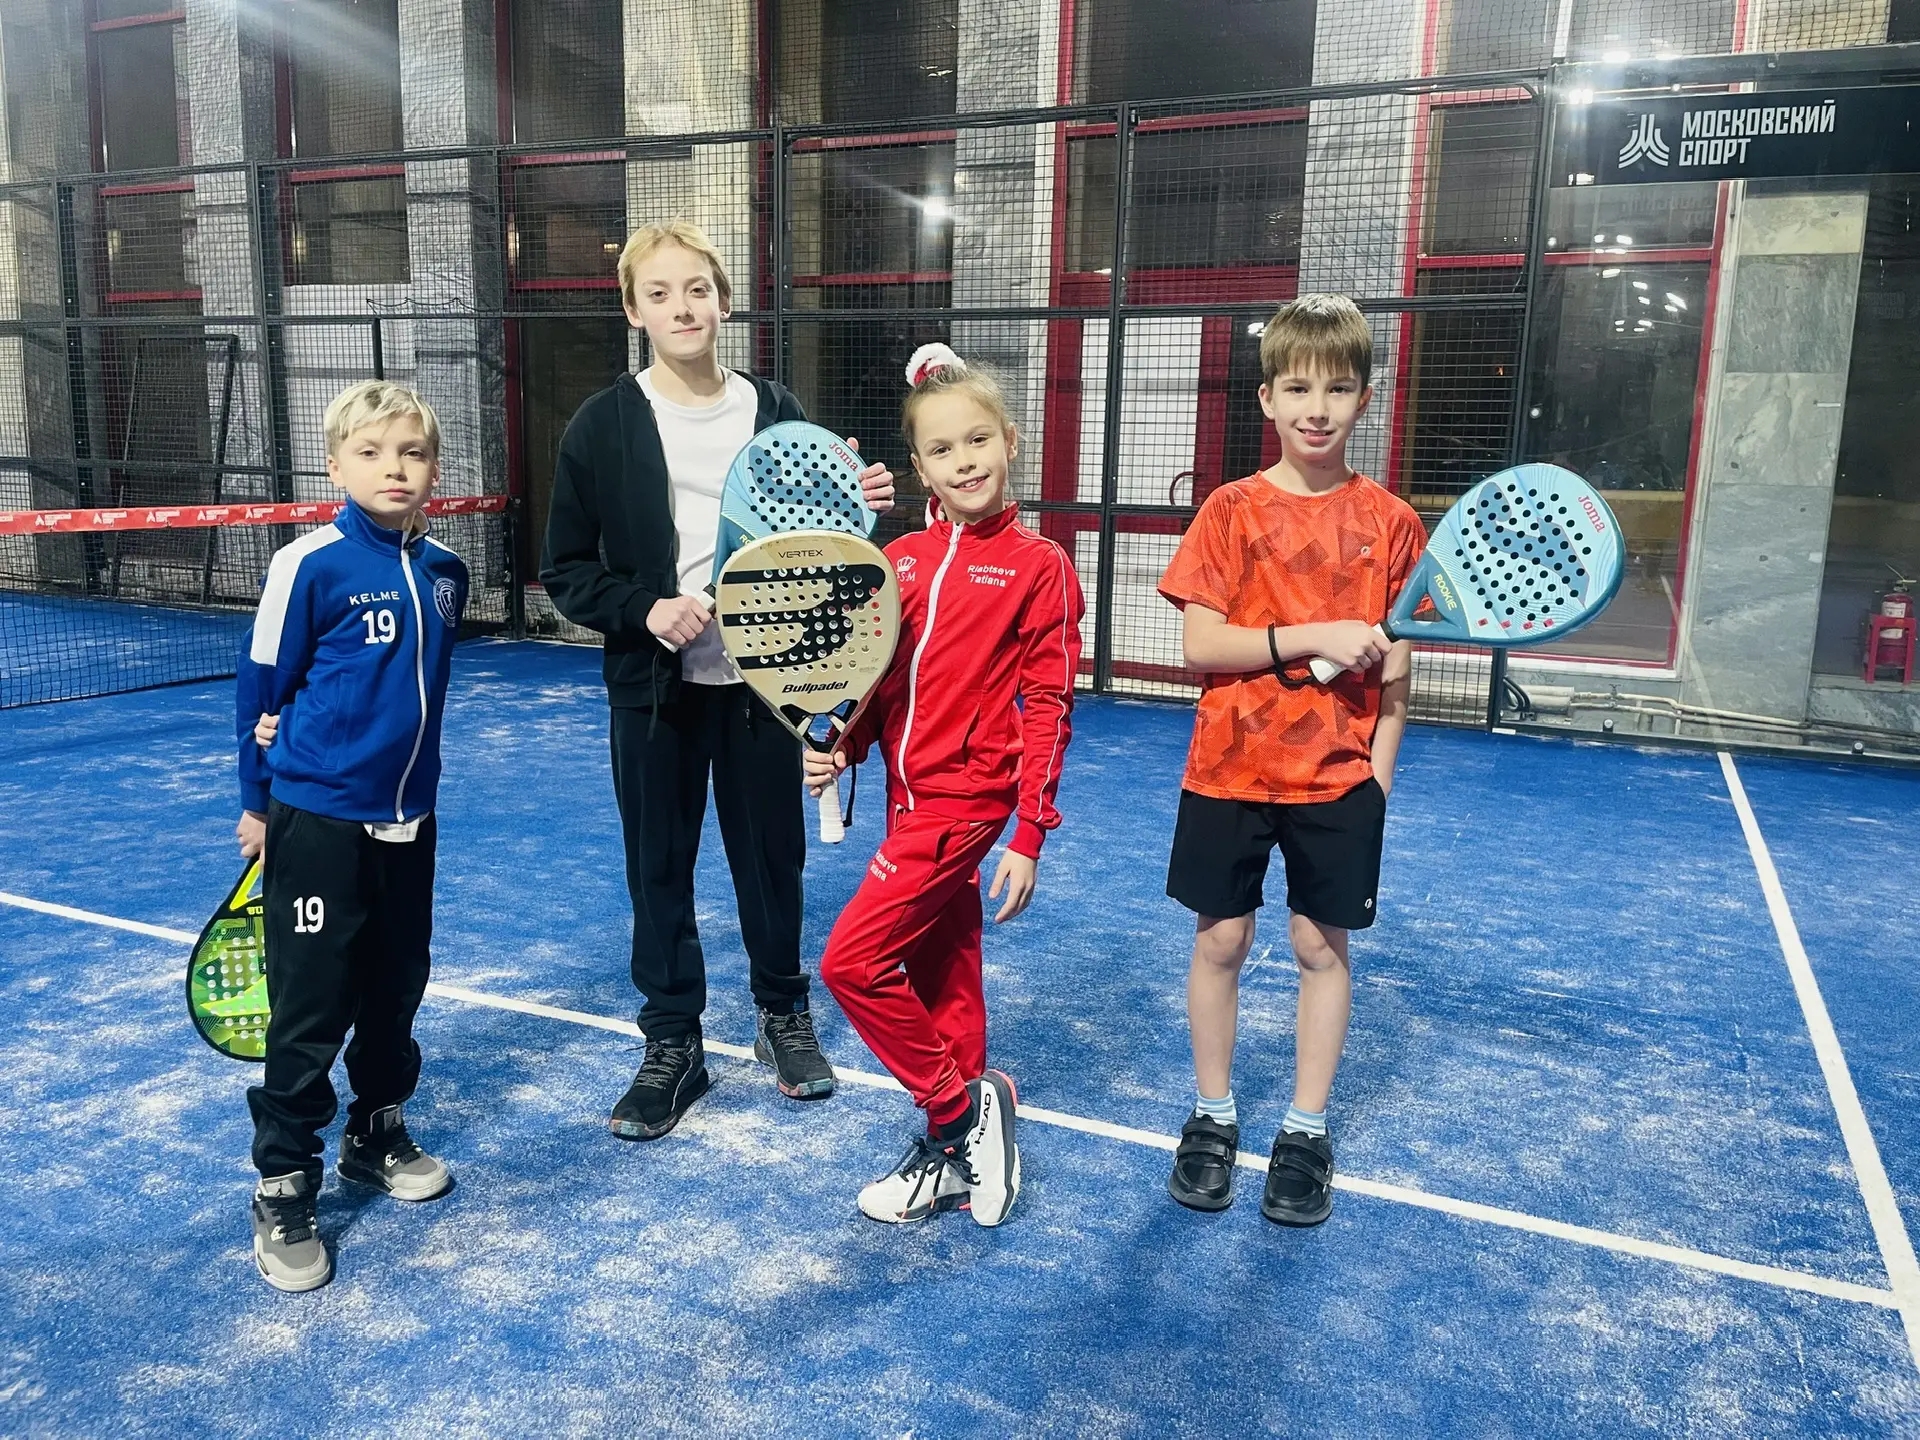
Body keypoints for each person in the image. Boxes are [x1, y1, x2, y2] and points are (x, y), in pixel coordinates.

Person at [539, 220, 895, 1141]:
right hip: (653, 694)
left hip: (765, 691)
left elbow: (818, 546)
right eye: (659, 294)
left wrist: (860, 507)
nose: (682, 307)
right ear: (634, 311)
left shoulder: (775, 408)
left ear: (724, 300)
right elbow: (567, 570)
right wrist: (645, 608)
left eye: (696, 289)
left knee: (772, 861)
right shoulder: (603, 423)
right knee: (658, 869)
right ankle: (673, 1045)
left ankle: (782, 1015)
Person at [1156, 294, 1426, 1226]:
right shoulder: (1229, 511)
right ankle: (1212, 1114)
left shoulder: (1391, 522)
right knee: (1220, 941)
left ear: (1365, 399)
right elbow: (1200, 644)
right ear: (1267, 398)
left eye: (1339, 388)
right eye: (1299, 388)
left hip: (1338, 781)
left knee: (1320, 946)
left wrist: (1377, 778)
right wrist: (1314, 633)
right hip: (1227, 770)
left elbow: (1397, 677)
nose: (1318, 408)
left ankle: (1305, 1131)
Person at [807, 343, 1084, 1227]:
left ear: (1009, 442)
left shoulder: (1039, 566)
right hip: (904, 800)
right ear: (919, 467)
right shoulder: (903, 560)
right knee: (945, 970)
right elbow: (881, 683)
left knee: (851, 964)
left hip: (966, 805)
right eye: (941, 449)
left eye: (977, 441)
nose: (963, 461)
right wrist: (845, 747)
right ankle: (954, 1154)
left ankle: (957, 1115)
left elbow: (1049, 707)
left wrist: (1029, 834)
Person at [235, 380, 467, 1291]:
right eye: (370, 453)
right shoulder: (308, 564)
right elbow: (261, 690)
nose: (393, 468)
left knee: (396, 982)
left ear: (434, 468)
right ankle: (284, 1180)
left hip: (411, 819)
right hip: (318, 820)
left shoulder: (447, 572)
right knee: (312, 1003)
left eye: (411, 452)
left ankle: (375, 1131)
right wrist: (258, 803)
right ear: (335, 466)